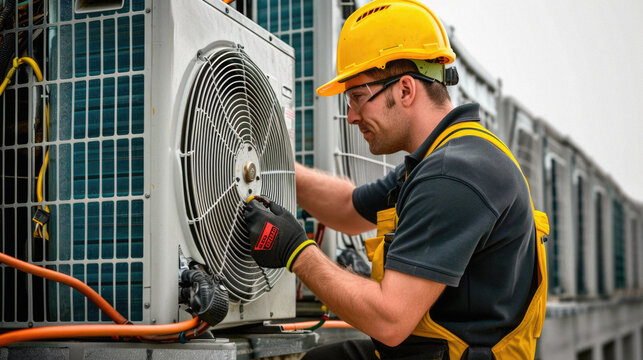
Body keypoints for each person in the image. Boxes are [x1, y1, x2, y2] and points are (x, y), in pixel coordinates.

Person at [243, 1, 549, 359]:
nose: (351, 116)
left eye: (358, 97)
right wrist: (277, 169)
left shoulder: (453, 175)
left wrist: (296, 251)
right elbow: (347, 208)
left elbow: (390, 320)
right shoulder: (446, 157)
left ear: (405, 90)